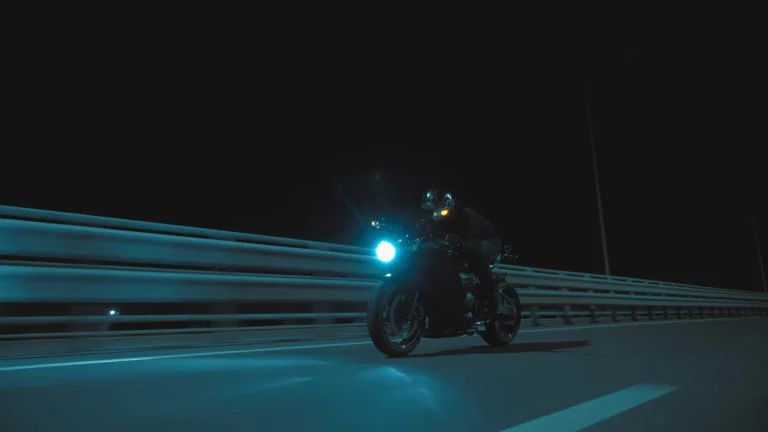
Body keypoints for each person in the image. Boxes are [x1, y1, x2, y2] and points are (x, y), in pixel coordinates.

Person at [420, 189, 510, 319]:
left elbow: (473, 243)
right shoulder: (433, 219)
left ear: (447, 203)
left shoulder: (463, 216)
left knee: (476, 256)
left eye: (438, 205)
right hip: (467, 241)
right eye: (432, 207)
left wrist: (460, 242)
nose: (436, 210)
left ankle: (495, 305)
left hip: (487, 240)